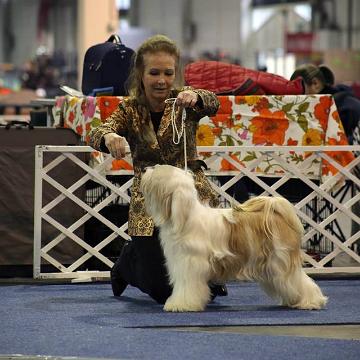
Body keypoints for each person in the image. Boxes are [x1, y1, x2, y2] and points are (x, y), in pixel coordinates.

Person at [89, 34, 227, 304]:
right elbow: (98, 131)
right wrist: (108, 138)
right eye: (154, 73)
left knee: (197, 277)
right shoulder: (129, 109)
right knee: (163, 290)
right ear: (140, 73)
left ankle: (207, 279)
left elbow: (213, 102)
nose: (162, 80)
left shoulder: (184, 102)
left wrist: (196, 95)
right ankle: (127, 263)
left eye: (168, 73)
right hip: (150, 203)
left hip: (191, 199)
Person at [290, 64, 360, 145]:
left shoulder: (339, 110)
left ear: (315, 83)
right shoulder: (339, 103)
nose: (297, 98)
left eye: (299, 89)